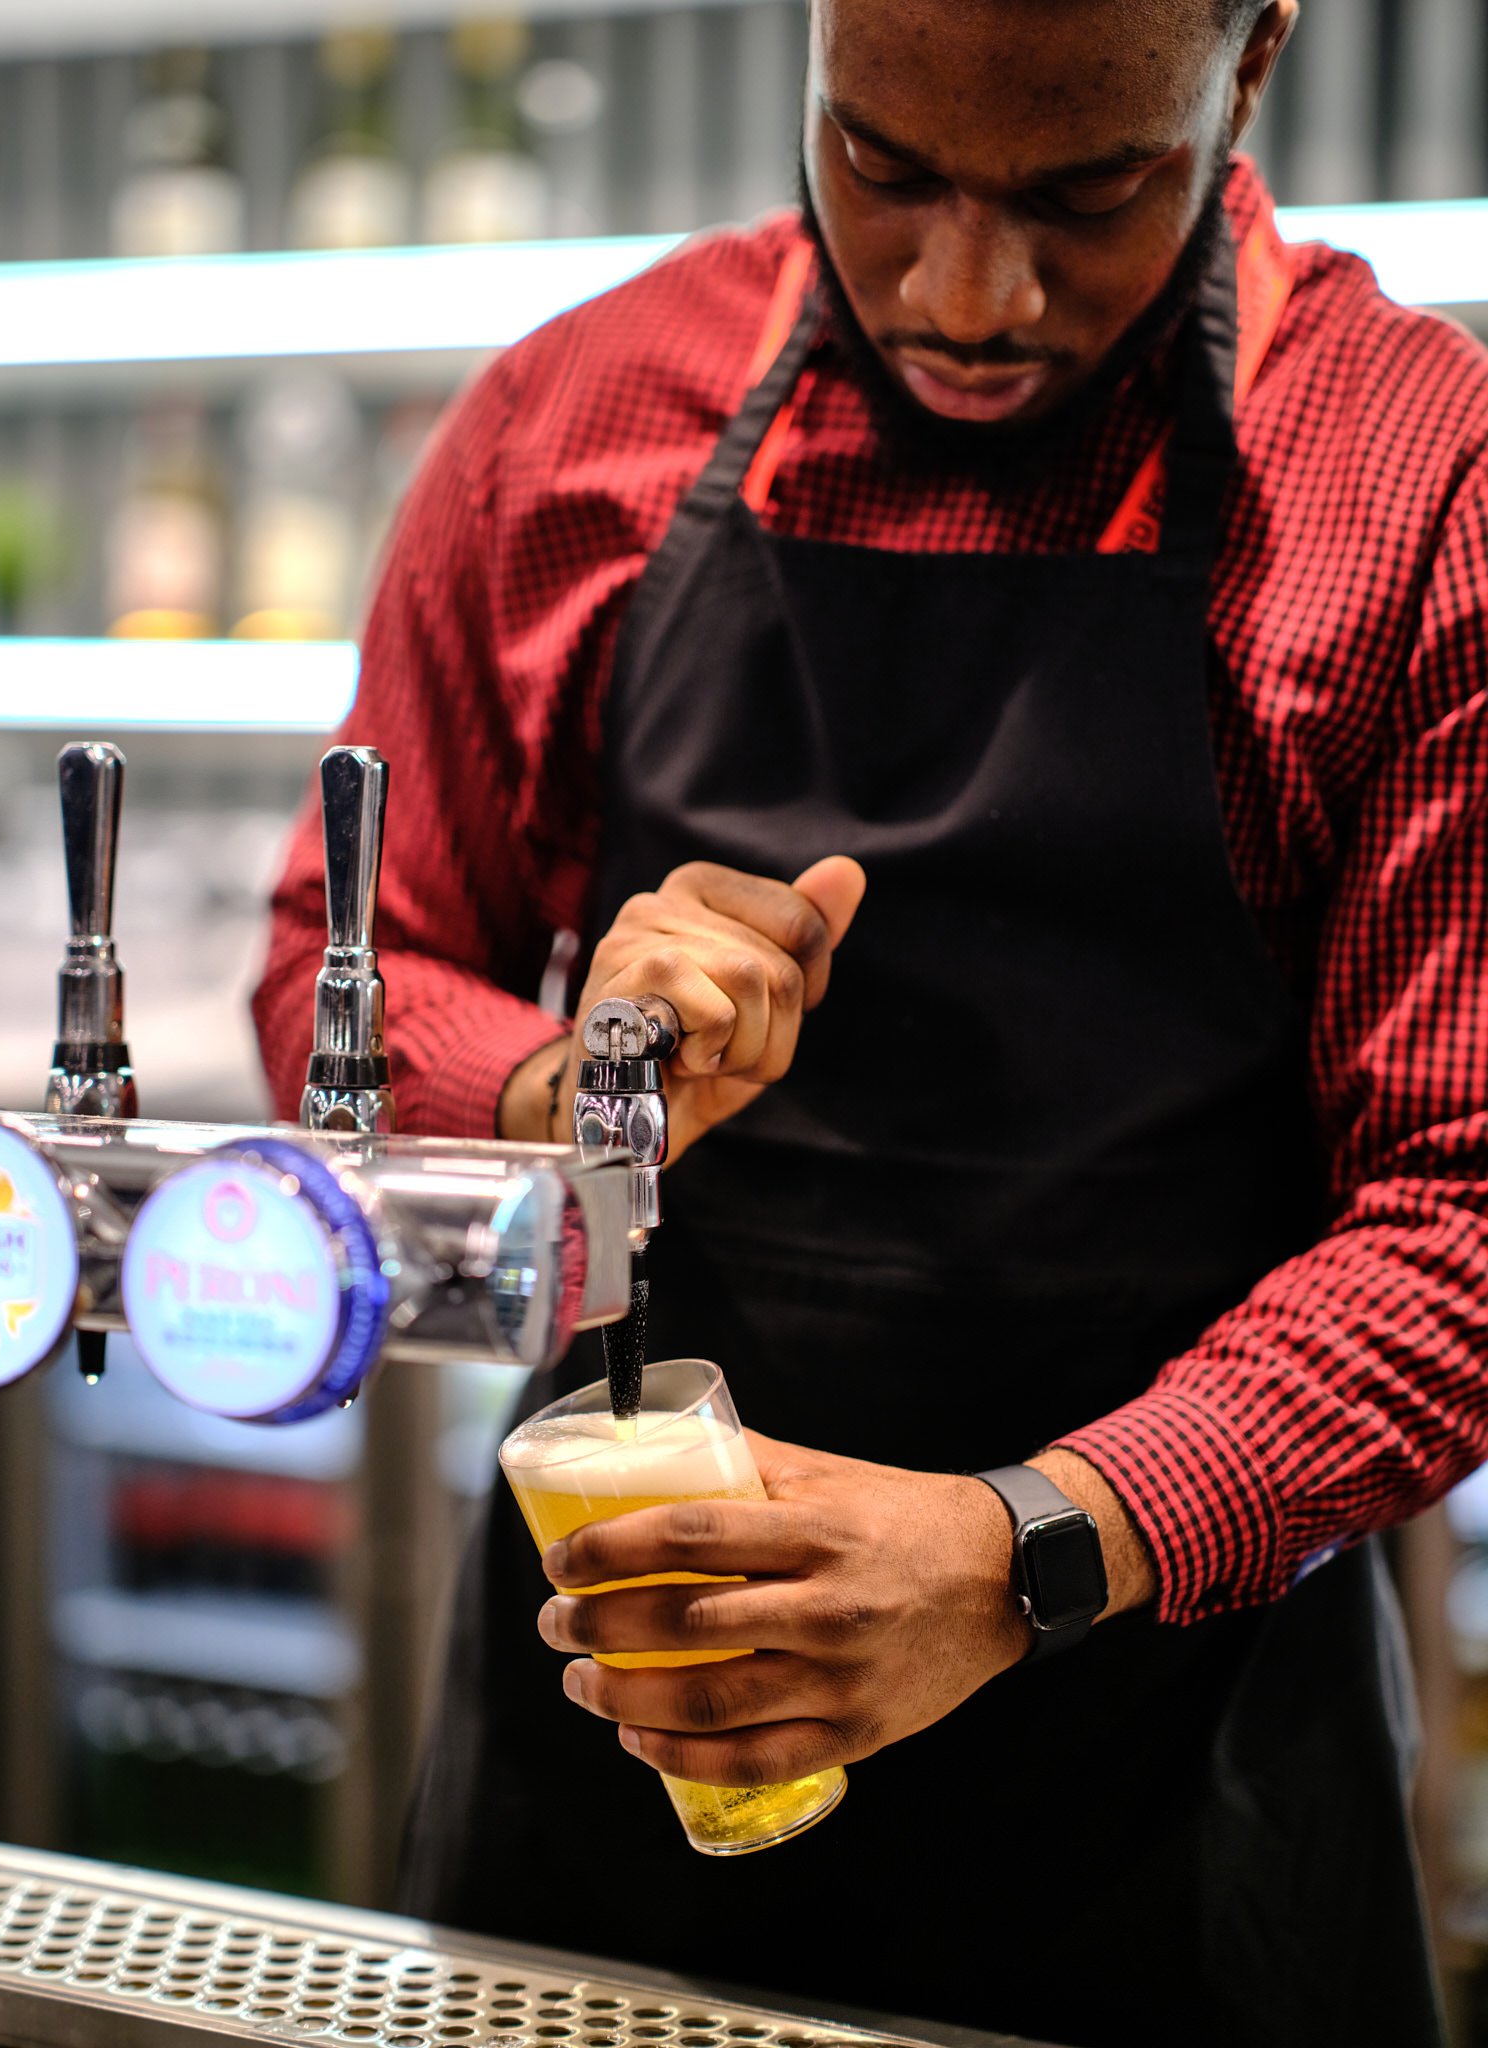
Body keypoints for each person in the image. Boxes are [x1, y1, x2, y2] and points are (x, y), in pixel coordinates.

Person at [253, 0, 1488, 2041]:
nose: (965, 293)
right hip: (615, 1705)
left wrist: (1022, 1553)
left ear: (1253, 57)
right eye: (881, 164)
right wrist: (580, 1086)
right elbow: (334, 984)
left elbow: (1462, 1208)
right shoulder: (573, 426)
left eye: (1087, 194)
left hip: (1173, 1780)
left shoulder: (1414, 478)